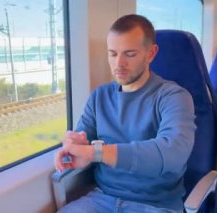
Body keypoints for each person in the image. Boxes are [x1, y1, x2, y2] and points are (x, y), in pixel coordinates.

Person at [54, 14, 196, 213]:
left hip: (155, 204)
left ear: (151, 53)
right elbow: (84, 141)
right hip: (102, 197)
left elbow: (173, 153)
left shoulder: (173, 96)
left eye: (129, 54)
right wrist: (74, 146)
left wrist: (97, 153)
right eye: (112, 54)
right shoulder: (99, 97)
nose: (118, 64)